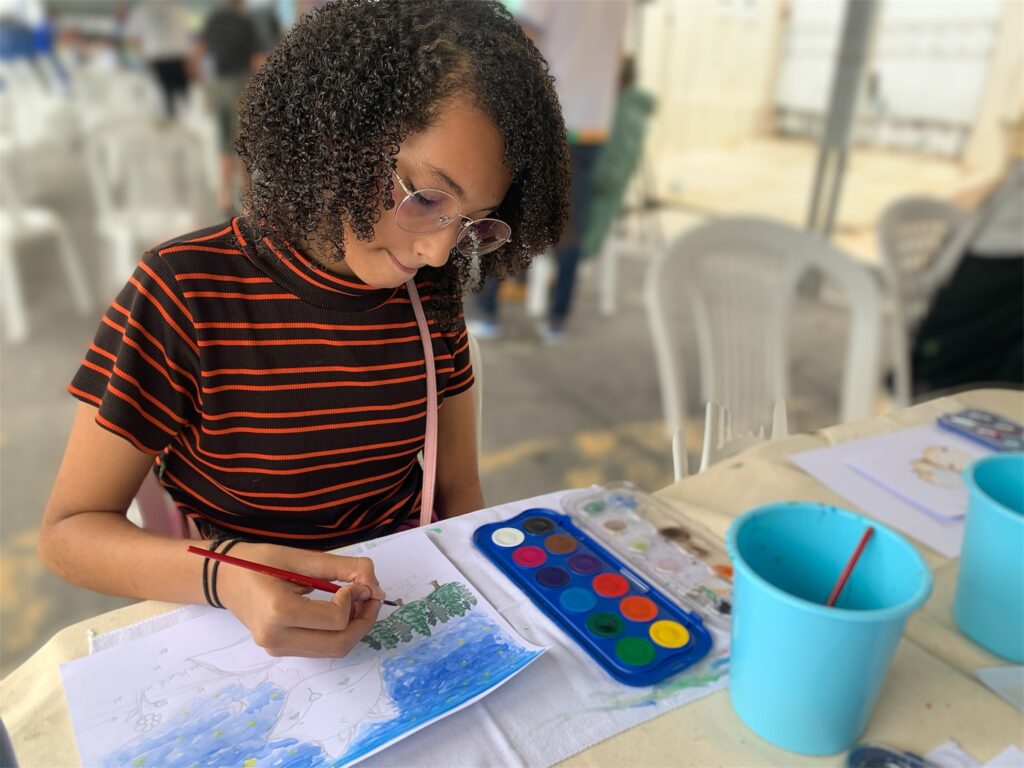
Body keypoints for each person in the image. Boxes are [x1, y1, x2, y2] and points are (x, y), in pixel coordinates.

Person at [39, 0, 569, 660]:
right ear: (339, 139)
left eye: (471, 222)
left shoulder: (428, 297)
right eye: (427, 197)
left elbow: (457, 491)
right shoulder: (186, 292)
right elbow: (69, 532)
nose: (438, 253)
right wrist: (227, 577)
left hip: (404, 597)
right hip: (238, 616)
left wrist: (485, 600)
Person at [471, 0, 631, 343]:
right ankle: (558, 319)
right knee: (571, 224)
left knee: (509, 211)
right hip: (593, 122)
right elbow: (618, 58)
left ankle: (488, 312)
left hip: (549, 116)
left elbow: (521, 34)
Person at [193, 0, 261, 214]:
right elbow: (257, 59)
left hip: (217, 84)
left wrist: (204, 89)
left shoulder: (214, 20)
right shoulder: (245, 22)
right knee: (242, 142)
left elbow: (198, 53)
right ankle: (247, 199)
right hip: (239, 84)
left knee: (224, 142)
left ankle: (223, 197)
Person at [123, 0, 193, 119]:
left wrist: (142, 57)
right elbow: (185, 35)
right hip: (179, 57)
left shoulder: (142, 9)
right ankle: (180, 121)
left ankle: (169, 120)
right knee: (183, 100)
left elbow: (133, 38)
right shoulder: (177, 8)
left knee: (164, 100)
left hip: (156, 57)